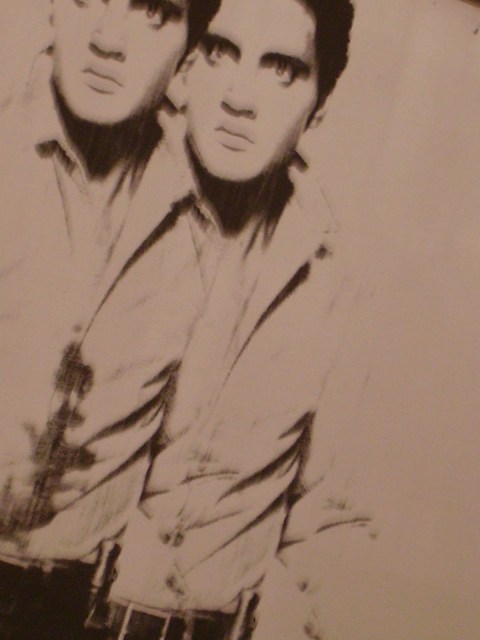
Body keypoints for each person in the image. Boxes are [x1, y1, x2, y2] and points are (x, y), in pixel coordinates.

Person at [99, 1, 377, 639]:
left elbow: (328, 522)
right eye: (221, 53)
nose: (239, 99)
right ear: (186, 63)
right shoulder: (96, 193)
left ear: (321, 101)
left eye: (282, 70)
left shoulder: (334, 276)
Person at [0, 1, 219, 638]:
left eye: (152, 10)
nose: (107, 38)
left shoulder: (217, 208)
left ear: (191, 52)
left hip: (70, 606)